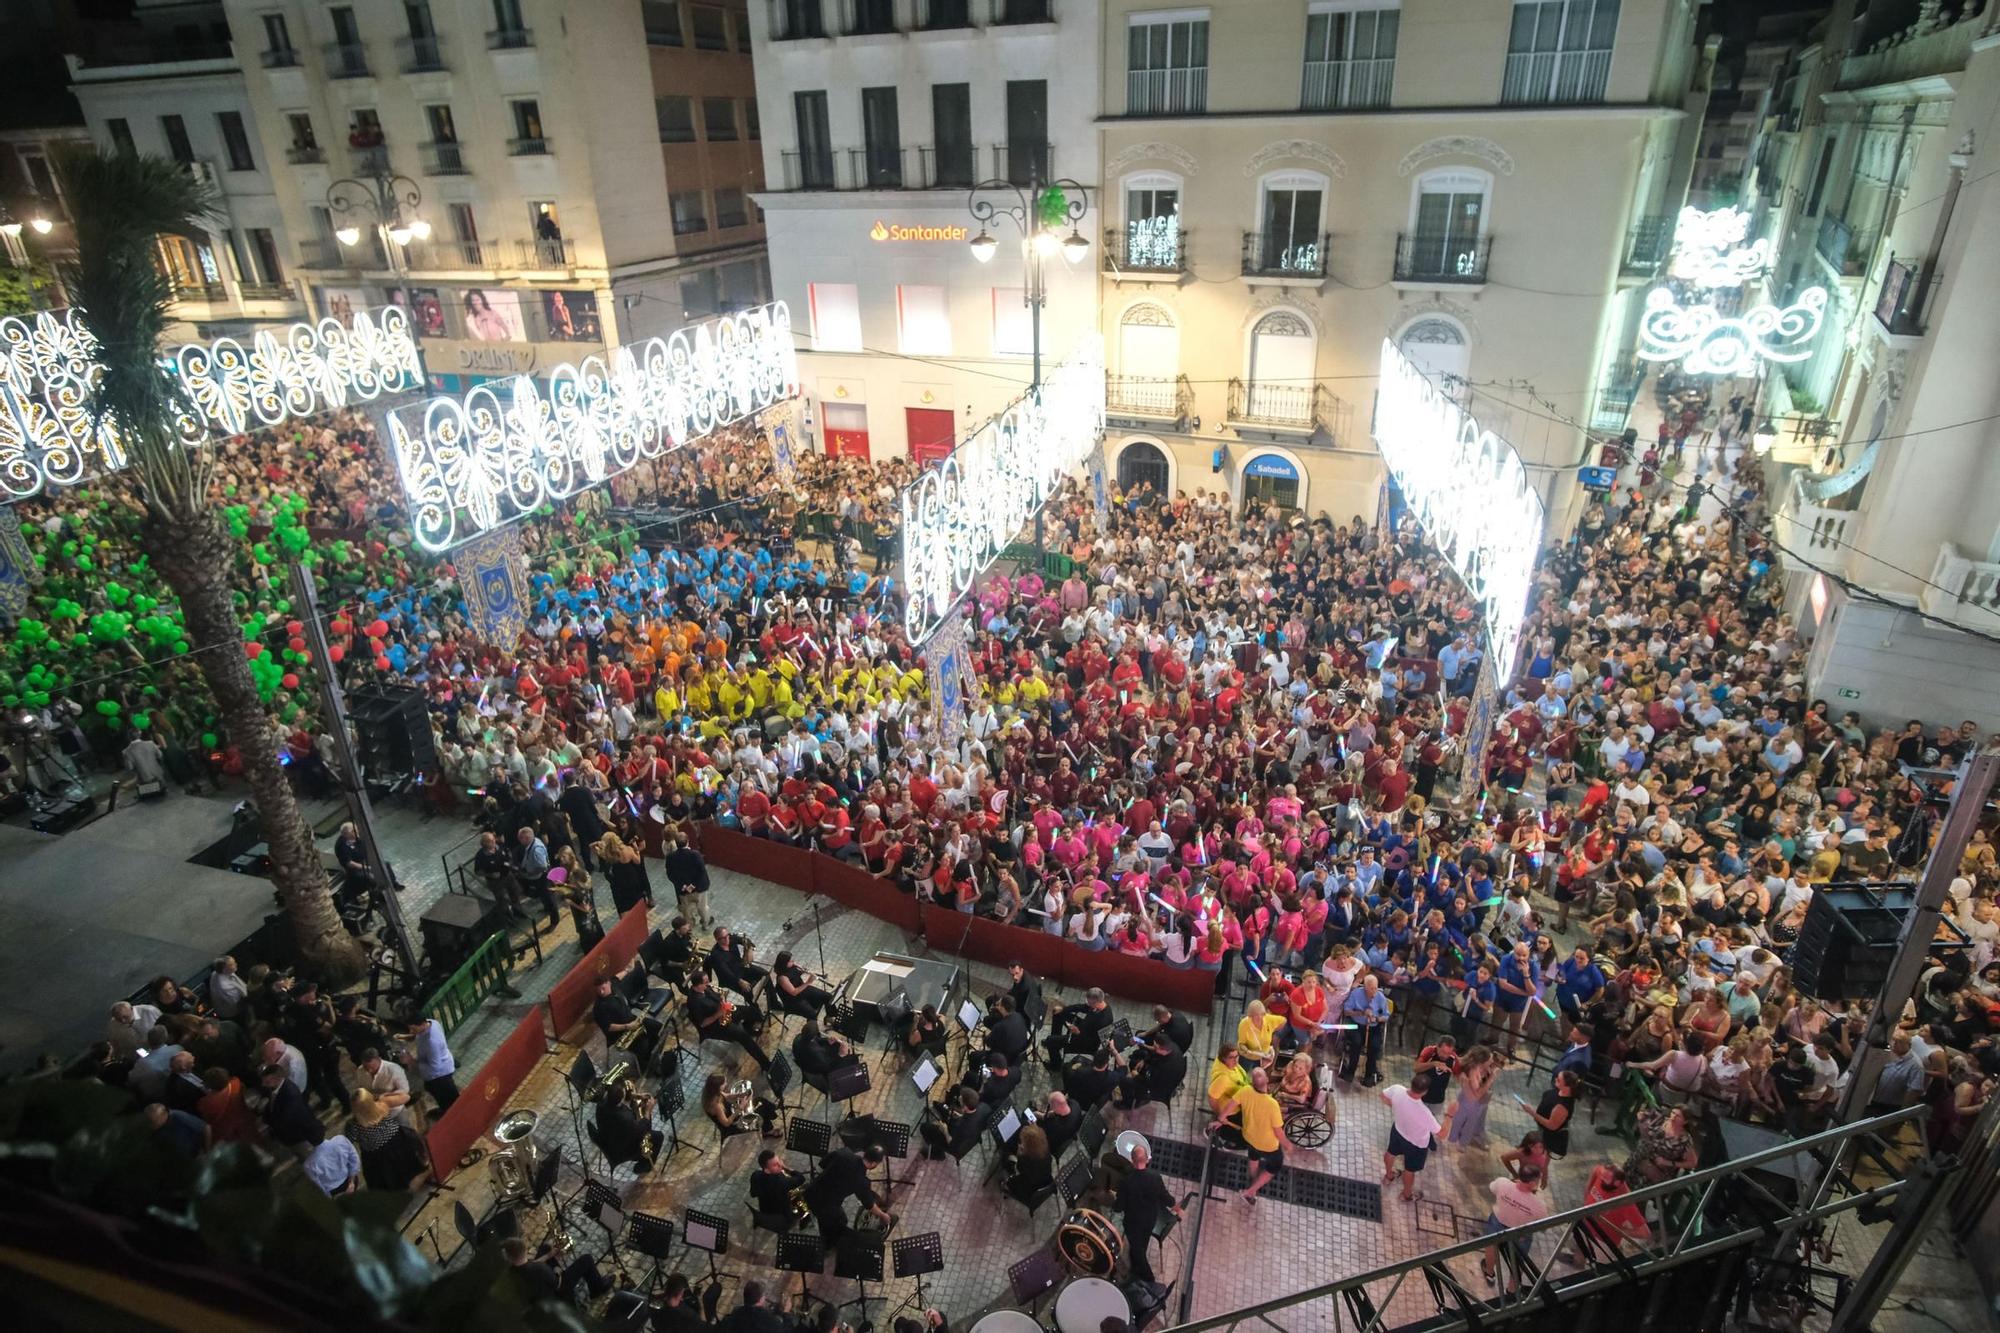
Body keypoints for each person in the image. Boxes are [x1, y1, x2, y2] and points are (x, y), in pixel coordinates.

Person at [1210, 1066, 1289, 1203]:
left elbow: (1230, 1106)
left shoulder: (1245, 1091)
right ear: (1267, 1080)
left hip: (1249, 1137)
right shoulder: (1272, 1105)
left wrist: (1220, 1120)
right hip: (1268, 1144)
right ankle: (1250, 1191)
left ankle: (1252, 1180)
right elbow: (1278, 1131)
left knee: (1254, 1157)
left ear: (1252, 1083)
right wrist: (1287, 1145)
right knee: (1274, 1167)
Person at [1113, 1142, 1181, 1284]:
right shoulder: (1155, 1177)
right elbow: (1165, 1197)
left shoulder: (1126, 1182)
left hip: (1133, 1223)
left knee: (1138, 1252)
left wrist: (1115, 1199)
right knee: (1141, 1244)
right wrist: (1177, 1208)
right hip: (1150, 1219)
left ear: (1132, 1161)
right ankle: (1136, 1262)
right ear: (1147, 1160)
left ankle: (1148, 1278)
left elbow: (1118, 1208)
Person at [803, 1143, 893, 1242]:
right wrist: (882, 1215)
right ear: (874, 1164)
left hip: (811, 1191)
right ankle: (828, 1243)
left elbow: (822, 1165)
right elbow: (869, 1204)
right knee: (834, 1223)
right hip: (826, 1206)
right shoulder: (862, 1182)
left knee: (838, 1218)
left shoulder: (844, 1153)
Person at [1481, 1166, 1549, 1290]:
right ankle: (1512, 1290)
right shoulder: (1538, 1205)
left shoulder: (1502, 1183)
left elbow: (1492, 1188)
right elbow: (1543, 1225)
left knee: (1491, 1247)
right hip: (1520, 1233)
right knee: (1517, 1262)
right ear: (1533, 1183)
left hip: (1497, 1222)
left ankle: (1489, 1272)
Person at [688, 972, 773, 1070]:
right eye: (706, 982)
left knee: (751, 1011)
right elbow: (703, 1024)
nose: (709, 983)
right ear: (698, 985)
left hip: (723, 1012)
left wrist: (722, 999)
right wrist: (718, 1014)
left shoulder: (705, 988)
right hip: (715, 1025)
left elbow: (718, 997)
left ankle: (748, 1028)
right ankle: (766, 1065)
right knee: (744, 1037)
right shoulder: (694, 1002)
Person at [1380, 1075, 1443, 1203]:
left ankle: (1388, 1176)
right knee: (1409, 1169)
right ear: (1425, 1091)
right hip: (1416, 1144)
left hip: (1398, 1131)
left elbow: (1383, 1096)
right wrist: (1450, 1116)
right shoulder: (1424, 1112)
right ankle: (1406, 1194)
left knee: (1390, 1153)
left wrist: (1398, 1108)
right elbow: (1441, 1134)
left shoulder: (1397, 1089)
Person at [595, 1081, 663, 1170]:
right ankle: (646, 1164)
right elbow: (643, 1131)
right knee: (658, 1136)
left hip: (606, 1139)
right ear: (621, 1100)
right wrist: (647, 1111)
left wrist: (636, 1096)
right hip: (621, 1150)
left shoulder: (600, 1105)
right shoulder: (625, 1118)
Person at [1339, 974, 1392, 1085]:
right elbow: (1346, 1011)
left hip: (1373, 1026)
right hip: (1356, 1024)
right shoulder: (1356, 994)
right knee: (1356, 1043)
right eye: (1371, 988)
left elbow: (1386, 1015)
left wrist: (1377, 1018)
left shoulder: (1380, 997)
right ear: (1365, 987)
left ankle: (1369, 1075)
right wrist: (1361, 1013)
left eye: (1376, 988)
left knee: (1375, 1046)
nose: (1374, 991)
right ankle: (1350, 1071)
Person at [1443, 1046, 1498, 1150]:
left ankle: (1463, 1143)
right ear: (1482, 1061)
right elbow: (1477, 1094)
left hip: (1477, 1104)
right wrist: (1491, 1079)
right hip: (1468, 1102)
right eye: (1490, 1059)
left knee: (1471, 1124)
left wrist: (1489, 1073)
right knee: (1459, 1121)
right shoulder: (1473, 1072)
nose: (1492, 1061)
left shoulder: (1484, 1069)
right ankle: (1453, 1139)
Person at [703, 1072, 780, 1139]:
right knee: (761, 1109)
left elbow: (727, 1096)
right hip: (734, 1126)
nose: (726, 1084)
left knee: (759, 1100)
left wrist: (740, 1094)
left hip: (734, 1114)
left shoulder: (713, 1093)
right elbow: (726, 1123)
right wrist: (740, 1108)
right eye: (724, 1083)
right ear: (718, 1087)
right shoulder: (716, 1105)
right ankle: (769, 1127)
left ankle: (772, 1114)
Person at [406, 1017, 460, 1111]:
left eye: (413, 1029)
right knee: (438, 1093)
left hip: (440, 1076)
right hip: (443, 1063)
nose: (411, 1031)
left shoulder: (431, 1042)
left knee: (449, 1099)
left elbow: (435, 1067)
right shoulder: (432, 1022)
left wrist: (411, 1061)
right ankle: (445, 1108)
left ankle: (452, 1113)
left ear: (422, 1024)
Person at [664, 834, 712, 929]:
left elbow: (670, 874)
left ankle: (690, 927)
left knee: (686, 910)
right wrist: (693, 885)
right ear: (688, 841)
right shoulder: (695, 854)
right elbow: (701, 871)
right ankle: (705, 924)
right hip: (699, 888)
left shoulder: (670, 857)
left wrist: (683, 886)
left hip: (683, 890)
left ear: (676, 844)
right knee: (702, 907)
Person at [1005, 1122, 1055, 1201]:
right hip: (1045, 1181)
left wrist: (1018, 1154)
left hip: (1028, 1191)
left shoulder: (1024, 1162)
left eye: (1022, 1142)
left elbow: (1018, 1168)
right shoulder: (1046, 1151)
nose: (1020, 1143)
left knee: (1007, 1157)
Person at [749, 1149, 807, 1216]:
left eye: (779, 1160)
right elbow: (801, 1178)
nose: (780, 1165)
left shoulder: (755, 1175)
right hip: (781, 1214)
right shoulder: (782, 1182)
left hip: (764, 1210)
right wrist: (785, 1168)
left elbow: (753, 1194)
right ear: (767, 1170)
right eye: (775, 1165)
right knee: (807, 1188)